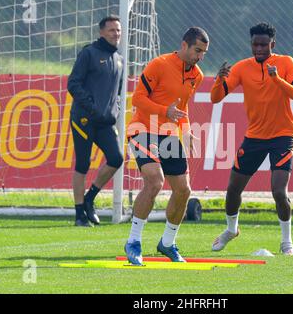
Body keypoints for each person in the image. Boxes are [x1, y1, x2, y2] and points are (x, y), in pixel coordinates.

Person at [210, 22, 293, 255]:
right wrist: (219, 80)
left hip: (283, 137)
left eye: (264, 44)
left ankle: (287, 242)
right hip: (254, 137)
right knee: (233, 188)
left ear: (273, 44)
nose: (259, 48)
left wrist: (278, 80)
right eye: (255, 44)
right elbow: (215, 98)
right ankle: (231, 230)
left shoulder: (286, 63)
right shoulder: (243, 67)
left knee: (278, 191)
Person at [124, 27, 209, 265]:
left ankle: (168, 243)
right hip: (142, 128)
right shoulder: (159, 65)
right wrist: (164, 111)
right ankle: (133, 242)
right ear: (184, 45)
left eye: (203, 52)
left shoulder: (197, 75)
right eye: (197, 50)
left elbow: (182, 108)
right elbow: (138, 98)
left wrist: (187, 131)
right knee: (155, 181)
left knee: (183, 190)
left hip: (169, 133)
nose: (200, 56)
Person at [67, 16, 124, 227]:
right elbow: (73, 83)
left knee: (116, 159)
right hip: (84, 118)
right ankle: (79, 213)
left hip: (105, 122)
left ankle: (90, 199)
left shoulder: (119, 58)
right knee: (83, 164)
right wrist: (91, 106)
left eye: (118, 30)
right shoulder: (88, 53)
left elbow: (117, 92)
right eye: (111, 30)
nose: (115, 34)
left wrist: (114, 110)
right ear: (101, 32)